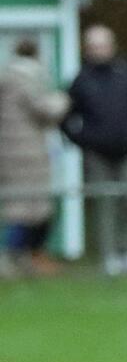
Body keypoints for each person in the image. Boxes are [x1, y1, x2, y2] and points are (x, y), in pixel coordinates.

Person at [61, 25, 127, 276]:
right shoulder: (80, 80)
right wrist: (82, 139)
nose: (99, 50)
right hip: (98, 152)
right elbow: (66, 117)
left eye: (103, 45)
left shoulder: (126, 75)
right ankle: (109, 256)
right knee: (105, 203)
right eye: (94, 46)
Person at [0, 37, 68, 278]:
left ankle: (24, 257)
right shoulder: (24, 80)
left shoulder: (7, 78)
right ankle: (11, 256)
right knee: (25, 209)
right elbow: (45, 109)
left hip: (9, 154)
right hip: (26, 155)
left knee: (23, 206)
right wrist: (63, 99)